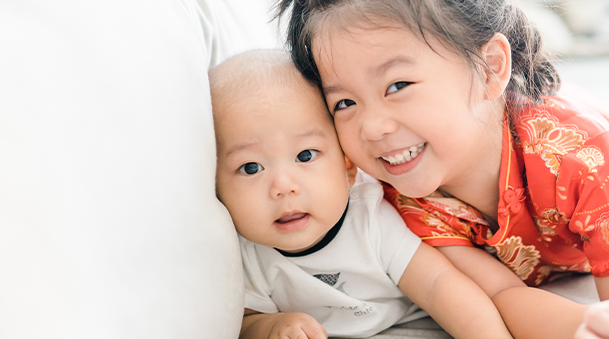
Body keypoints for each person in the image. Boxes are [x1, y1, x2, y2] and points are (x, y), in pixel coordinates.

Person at [274, 0, 609, 338]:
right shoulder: (393, 193)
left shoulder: (581, 155)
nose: (371, 128)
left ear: (490, 68)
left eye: (398, 85)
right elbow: (503, 296)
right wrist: (586, 329)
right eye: (344, 103)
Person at [210, 49, 512, 339]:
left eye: (305, 156)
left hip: (409, 322)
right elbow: (241, 323)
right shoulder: (244, 253)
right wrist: (272, 326)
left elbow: (437, 286)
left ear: (348, 166)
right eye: (251, 168)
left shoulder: (370, 218)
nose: (283, 187)